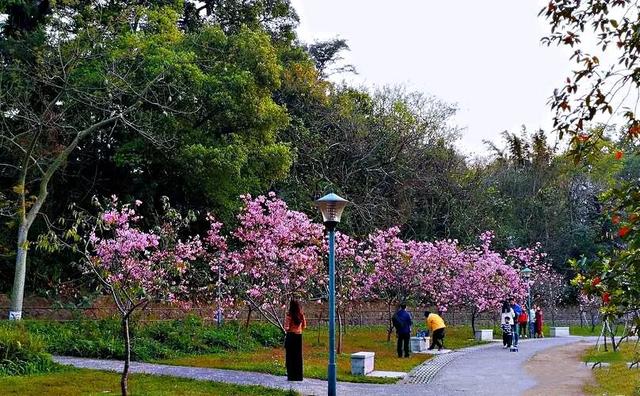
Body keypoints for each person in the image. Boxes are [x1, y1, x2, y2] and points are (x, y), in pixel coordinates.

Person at [284, 299, 306, 381]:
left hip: (291, 336)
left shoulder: (289, 315)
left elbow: (286, 327)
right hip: (298, 336)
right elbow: (304, 326)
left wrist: (289, 328)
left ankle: (291, 376)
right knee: (298, 356)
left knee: (290, 356)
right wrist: (299, 329)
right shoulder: (301, 315)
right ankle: (298, 376)